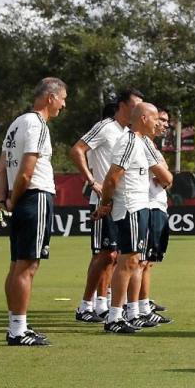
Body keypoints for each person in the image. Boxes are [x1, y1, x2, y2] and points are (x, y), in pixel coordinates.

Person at [0, 78, 67, 345]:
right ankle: (18, 330)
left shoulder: (17, 123)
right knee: (28, 265)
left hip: (20, 199)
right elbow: (26, 171)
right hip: (34, 197)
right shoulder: (37, 124)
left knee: (17, 264)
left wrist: (3, 200)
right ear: (50, 97)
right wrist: (14, 199)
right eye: (63, 98)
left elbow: (0, 169)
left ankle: (16, 324)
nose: (63, 105)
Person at [94, 103, 173, 333]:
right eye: (155, 118)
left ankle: (128, 313)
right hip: (130, 207)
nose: (158, 123)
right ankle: (114, 317)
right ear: (144, 118)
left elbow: (165, 176)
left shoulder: (141, 142)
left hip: (140, 207)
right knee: (127, 261)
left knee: (135, 260)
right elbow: (112, 177)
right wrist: (106, 203)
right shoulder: (128, 141)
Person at [68, 89, 144, 322]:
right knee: (104, 254)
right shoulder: (105, 127)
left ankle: (102, 304)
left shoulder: (128, 133)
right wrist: (92, 182)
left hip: (121, 202)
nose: (138, 110)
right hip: (103, 201)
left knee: (115, 256)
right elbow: (77, 150)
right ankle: (85, 305)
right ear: (122, 105)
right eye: (135, 105)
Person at [138, 108, 173, 326]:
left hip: (156, 205)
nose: (164, 125)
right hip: (149, 206)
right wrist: (165, 175)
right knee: (142, 261)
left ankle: (141, 304)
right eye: (161, 119)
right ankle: (138, 308)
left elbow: (166, 176)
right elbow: (166, 177)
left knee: (147, 261)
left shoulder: (150, 145)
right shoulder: (142, 143)